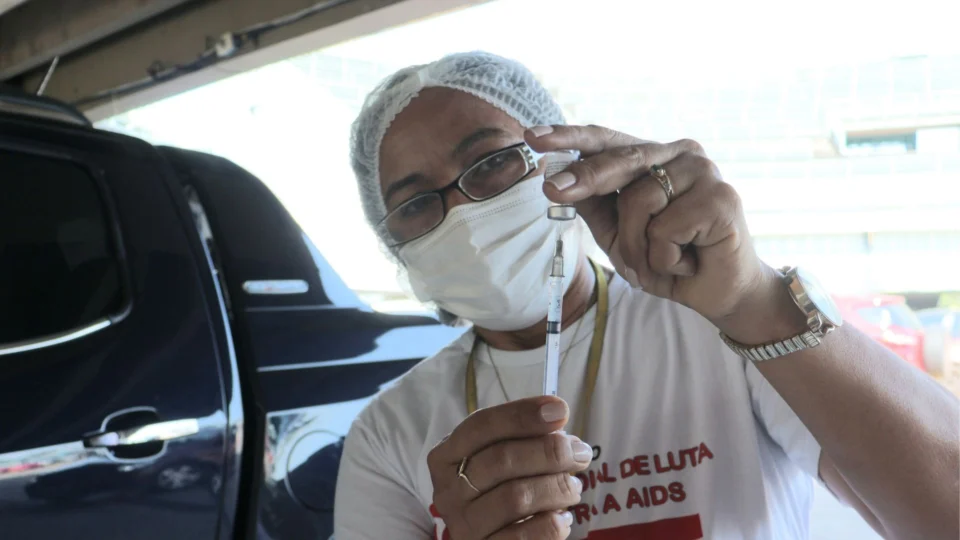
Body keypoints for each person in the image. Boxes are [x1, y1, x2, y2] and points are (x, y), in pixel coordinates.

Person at [333, 51, 959, 540]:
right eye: (416, 203)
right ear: (395, 245)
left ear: (566, 160)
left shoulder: (720, 329)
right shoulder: (391, 433)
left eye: (491, 162)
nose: (465, 215)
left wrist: (753, 299)